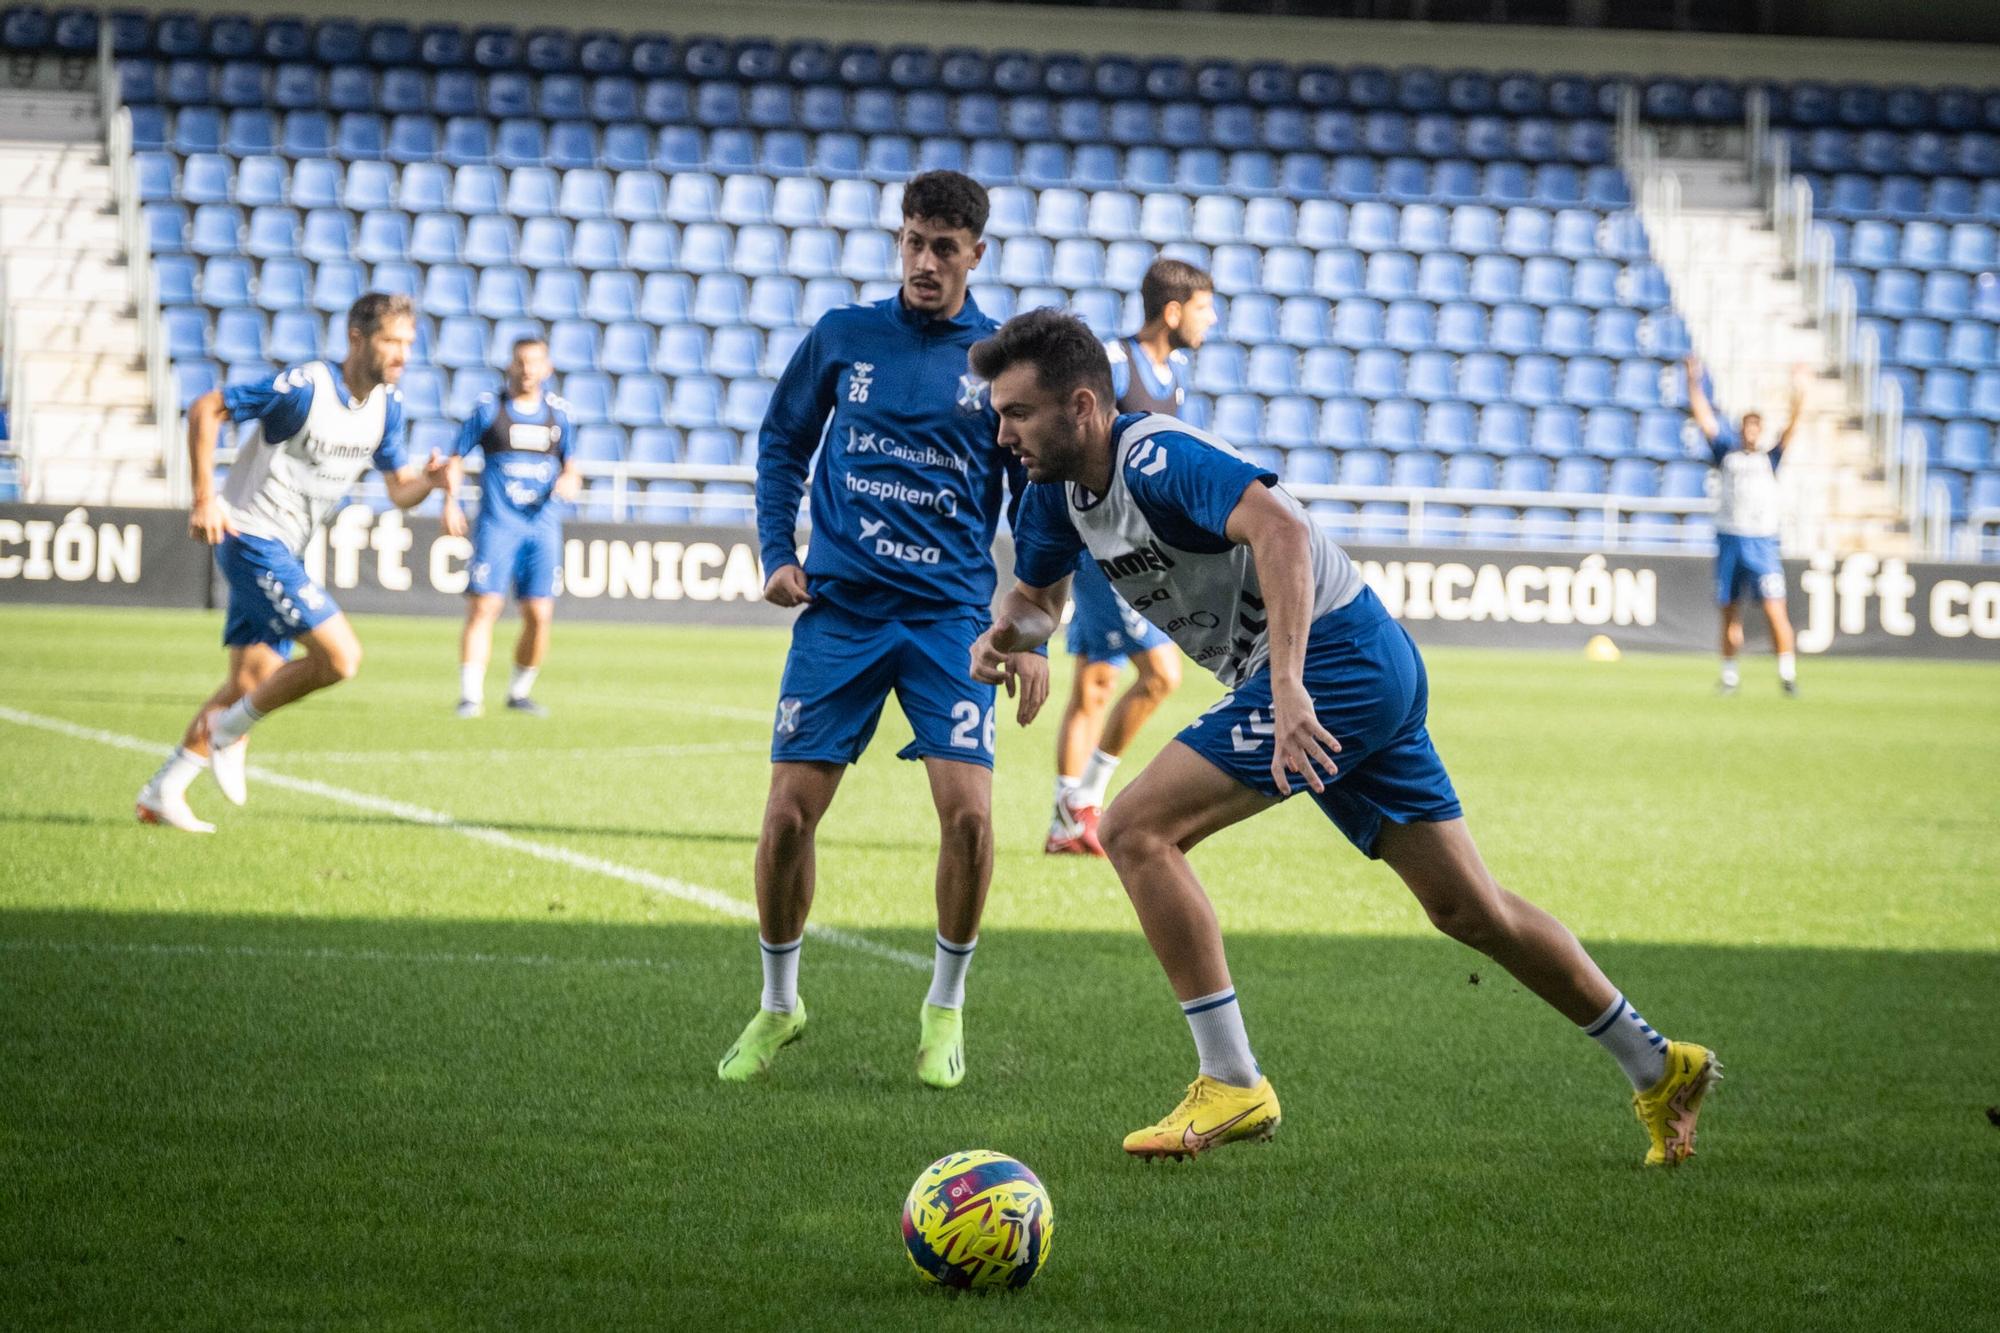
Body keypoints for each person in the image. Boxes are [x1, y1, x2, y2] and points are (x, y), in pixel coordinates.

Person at [969, 310, 1718, 1167]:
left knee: (1136, 828)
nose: (1003, 432)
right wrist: (1007, 642)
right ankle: (1661, 1067)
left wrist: (1287, 685)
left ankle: (1232, 1080)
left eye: (1018, 413)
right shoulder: (1052, 493)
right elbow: (1033, 601)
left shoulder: (1155, 457)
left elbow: (1281, 529)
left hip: (1335, 659)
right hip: (1355, 663)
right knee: (1470, 909)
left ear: (1083, 407)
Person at [718, 170, 1048, 1090]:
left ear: (976, 255)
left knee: (972, 820)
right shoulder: (843, 335)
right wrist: (776, 548)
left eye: (946, 247)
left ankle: (943, 1007)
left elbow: (1040, 502)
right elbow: (782, 440)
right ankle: (780, 1006)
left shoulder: (999, 362)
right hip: (841, 612)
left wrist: (1030, 629)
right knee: (787, 817)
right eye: (913, 241)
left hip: (951, 620)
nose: (926, 262)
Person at [135, 293, 451, 831]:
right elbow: (207, 407)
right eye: (390, 341)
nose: (401, 354)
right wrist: (204, 498)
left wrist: (433, 482)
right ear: (357, 337)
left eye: (407, 344)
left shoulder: (387, 406)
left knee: (253, 678)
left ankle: (164, 789)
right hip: (252, 537)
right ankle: (229, 732)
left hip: (287, 549)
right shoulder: (306, 388)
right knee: (341, 658)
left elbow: (400, 490)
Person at [1046, 260, 1213, 856]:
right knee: (1162, 675)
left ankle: (1066, 824)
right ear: (1173, 312)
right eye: (1202, 308)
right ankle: (1086, 804)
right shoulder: (1114, 364)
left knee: (1094, 684)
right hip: (1108, 550)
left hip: (1141, 546)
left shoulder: (1179, 372)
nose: (1210, 319)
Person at [441, 337, 578, 719]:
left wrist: (570, 479)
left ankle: (519, 692)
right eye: (521, 362)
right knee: (484, 606)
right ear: (510, 366)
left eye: (535, 362)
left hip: (543, 528)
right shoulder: (490, 411)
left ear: (547, 368)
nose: (528, 369)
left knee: (540, 614)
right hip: (498, 525)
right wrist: (449, 502)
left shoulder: (558, 415)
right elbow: (454, 459)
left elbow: (572, 465)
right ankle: (470, 696)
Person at [1685, 355, 1806, 696]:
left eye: (1756, 428)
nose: (1751, 433)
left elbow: (1793, 424)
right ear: (1741, 430)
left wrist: (1800, 390)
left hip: (1762, 542)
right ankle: (1729, 676)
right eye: (1746, 427)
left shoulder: (1771, 458)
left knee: (1774, 609)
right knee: (1729, 611)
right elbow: (1704, 417)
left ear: (1760, 431)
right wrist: (1694, 382)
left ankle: (1787, 675)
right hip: (1730, 540)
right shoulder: (1726, 454)